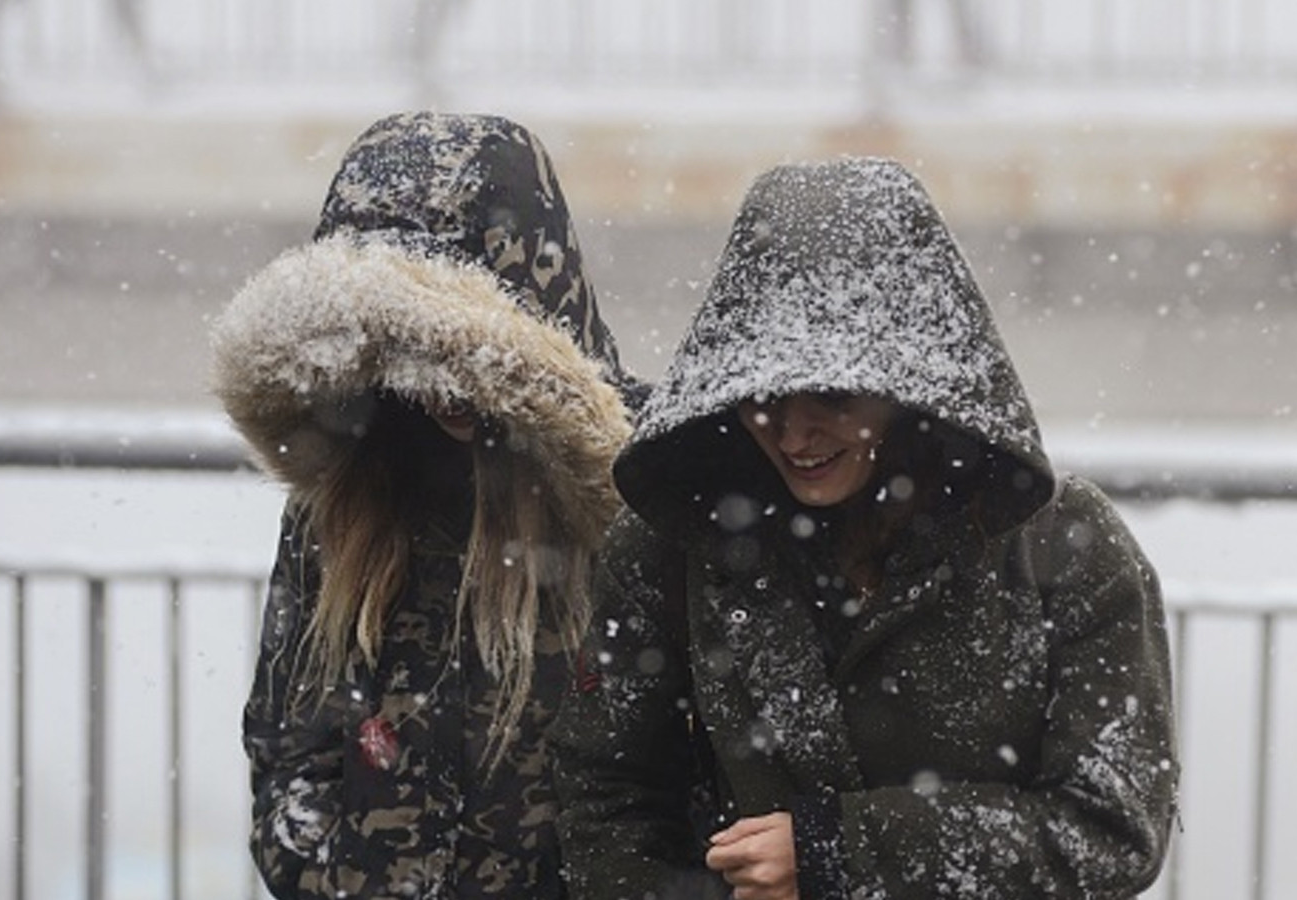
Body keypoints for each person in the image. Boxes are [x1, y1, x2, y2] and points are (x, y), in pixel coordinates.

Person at [552, 157, 1178, 899]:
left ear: (912, 387)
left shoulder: (1068, 549)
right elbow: (608, 795)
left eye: (831, 396)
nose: (793, 433)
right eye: (759, 399)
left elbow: (1111, 829)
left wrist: (838, 854)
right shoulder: (670, 546)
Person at [211, 111, 635, 899]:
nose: (443, 384)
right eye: (411, 349)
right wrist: (335, 876)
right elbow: (287, 747)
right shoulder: (346, 493)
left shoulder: (633, 495)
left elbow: (676, 779)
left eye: (461, 351)